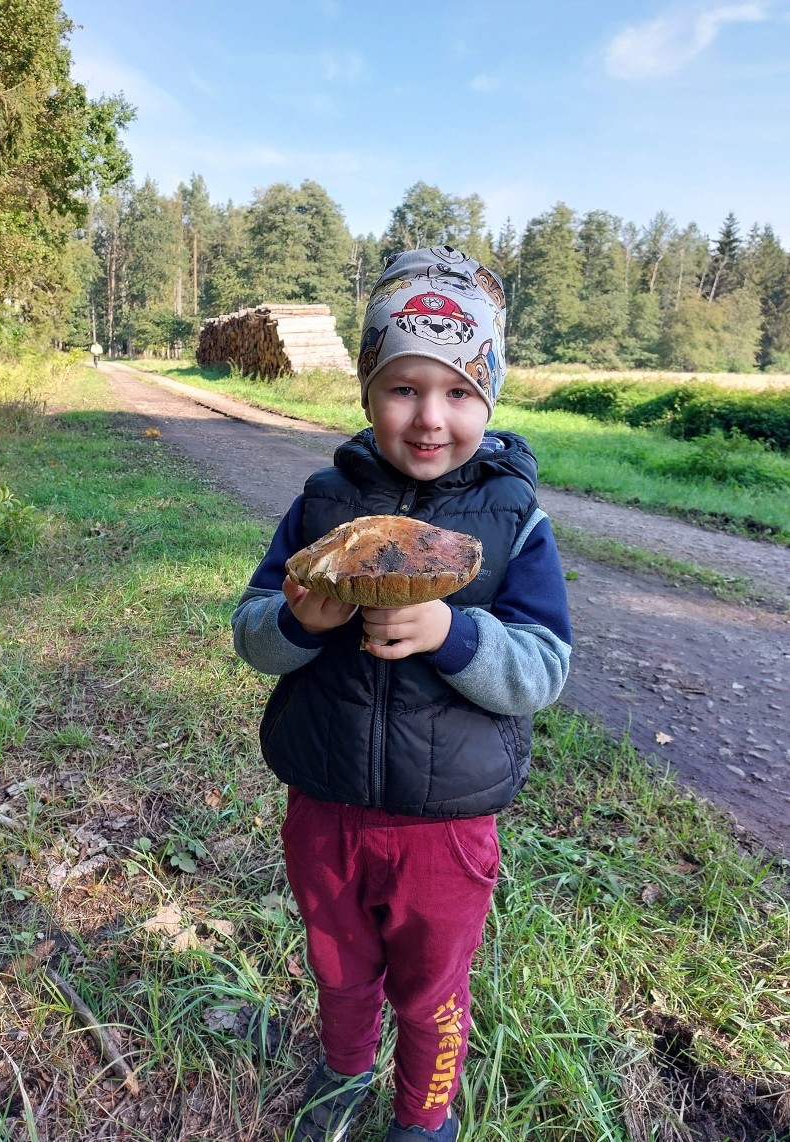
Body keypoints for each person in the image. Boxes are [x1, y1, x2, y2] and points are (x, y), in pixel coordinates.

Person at [231, 246, 572, 1140]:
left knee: (432, 987)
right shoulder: (320, 507)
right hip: (326, 804)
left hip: (446, 826)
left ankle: (424, 1115)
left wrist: (454, 633)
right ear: (366, 391)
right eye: (403, 388)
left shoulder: (513, 521)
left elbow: (544, 666)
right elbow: (254, 633)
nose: (430, 418)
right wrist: (303, 623)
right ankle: (343, 1075)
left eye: (459, 392)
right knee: (339, 966)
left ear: (488, 398)